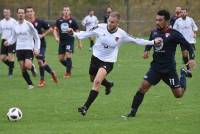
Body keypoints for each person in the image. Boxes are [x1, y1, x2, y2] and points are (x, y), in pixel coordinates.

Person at [68, 11, 163, 116]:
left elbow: (136, 40)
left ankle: (85, 107)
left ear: (118, 23)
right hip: (95, 58)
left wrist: (152, 42)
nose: (110, 23)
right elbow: (83, 34)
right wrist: (73, 33)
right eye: (109, 21)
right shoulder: (99, 27)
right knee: (92, 79)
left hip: (108, 61)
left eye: (112, 22)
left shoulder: (121, 34)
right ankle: (108, 84)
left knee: (97, 82)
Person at [124, 9, 196, 118]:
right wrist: (146, 50)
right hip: (155, 68)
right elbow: (150, 41)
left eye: (160, 20)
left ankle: (182, 74)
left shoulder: (174, 34)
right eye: (156, 20)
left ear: (166, 21)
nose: (157, 22)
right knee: (142, 88)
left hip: (169, 70)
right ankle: (132, 113)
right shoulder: (154, 32)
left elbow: (189, 46)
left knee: (178, 94)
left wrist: (192, 58)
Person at [5, 8, 40, 89]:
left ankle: (32, 67)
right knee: (22, 68)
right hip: (19, 49)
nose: (21, 14)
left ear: (24, 14)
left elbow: (36, 37)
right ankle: (30, 84)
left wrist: (36, 48)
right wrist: (8, 42)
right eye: (19, 13)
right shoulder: (15, 25)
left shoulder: (29, 24)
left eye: (22, 13)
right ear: (17, 14)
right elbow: (13, 37)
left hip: (28, 48)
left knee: (27, 66)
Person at [25, 7, 58, 87]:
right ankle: (51, 72)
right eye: (28, 12)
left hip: (40, 45)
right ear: (26, 14)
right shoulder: (25, 23)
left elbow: (51, 29)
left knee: (40, 62)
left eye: (31, 11)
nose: (29, 13)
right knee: (28, 65)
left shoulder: (39, 21)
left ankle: (42, 81)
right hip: (29, 46)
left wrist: (43, 35)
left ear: (34, 12)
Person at [53, 6, 80, 78]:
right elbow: (55, 29)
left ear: (70, 12)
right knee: (61, 59)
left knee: (68, 55)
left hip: (70, 41)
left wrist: (79, 42)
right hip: (62, 42)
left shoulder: (73, 21)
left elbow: (77, 32)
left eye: (67, 10)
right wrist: (56, 37)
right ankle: (69, 66)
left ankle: (68, 73)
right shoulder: (59, 20)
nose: (66, 11)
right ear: (63, 11)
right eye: (65, 10)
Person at [173, 8, 198, 77]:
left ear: (187, 13)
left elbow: (195, 27)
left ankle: (189, 71)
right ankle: (188, 68)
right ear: (180, 13)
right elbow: (174, 30)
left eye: (184, 12)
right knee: (184, 55)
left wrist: (195, 33)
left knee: (191, 55)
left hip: (191, 40)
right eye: (182, 12)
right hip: (183, 41)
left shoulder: (190, 19)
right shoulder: (178, 21)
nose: (183, 13)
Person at [0, 8, 17, 77]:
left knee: (10, 56)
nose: (6, 14)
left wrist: (10, 41)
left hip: (12, 40)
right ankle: (11, 65)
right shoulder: (1, 22)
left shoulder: (14, 22)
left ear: (10, 13)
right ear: (3, 13)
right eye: (5, 12)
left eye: (7, 12)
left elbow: (15, 32)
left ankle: (10, 73)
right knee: (2, 58)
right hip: (4, 40)